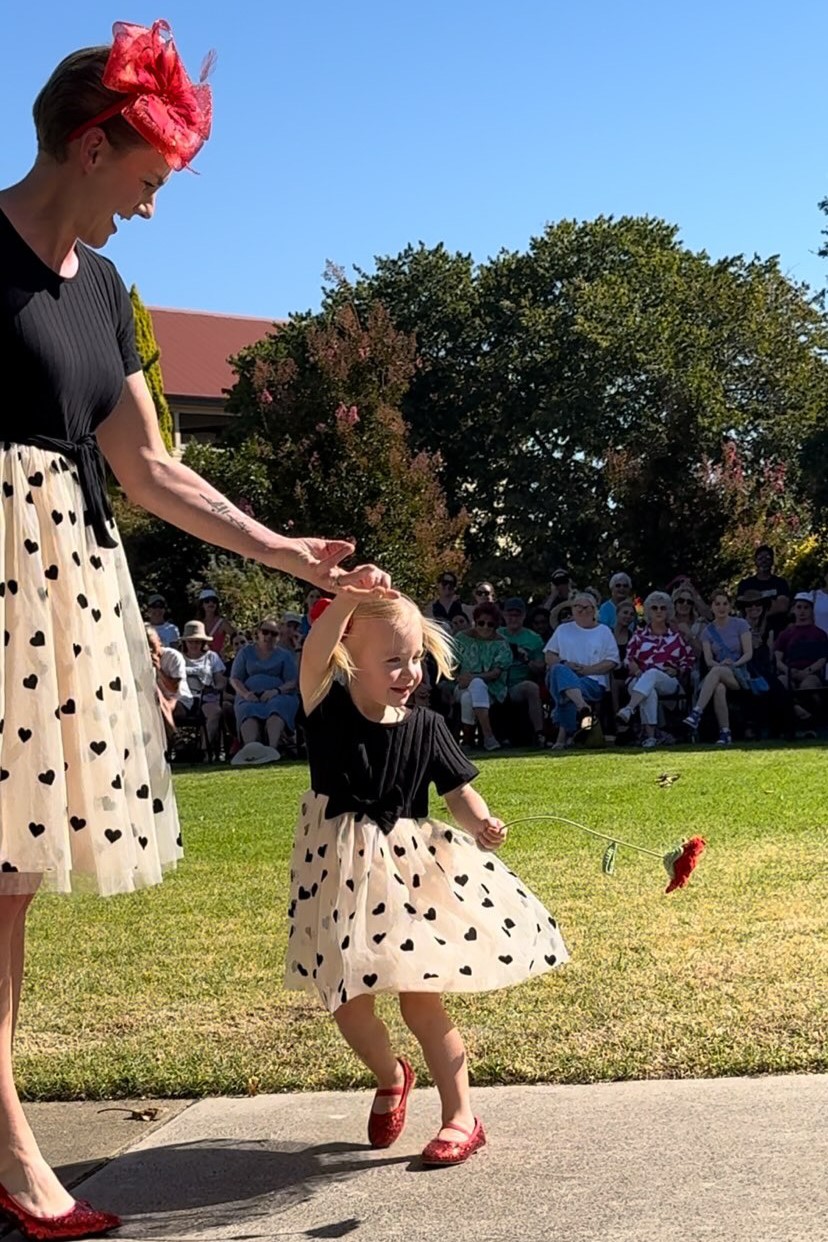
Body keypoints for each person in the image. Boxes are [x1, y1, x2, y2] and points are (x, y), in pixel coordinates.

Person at [0, 21, 389, 1237]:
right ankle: (9, 1147)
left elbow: (152, 470)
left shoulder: (106, 291)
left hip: (52, 581)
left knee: (6, 878)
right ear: (90, 140)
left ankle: (2, 1140)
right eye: (149, 181)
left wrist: (285, 550)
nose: (155, 210)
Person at [286, 580, 568, 1165]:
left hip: (408, 875)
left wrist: (483, 821)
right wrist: (345, 596)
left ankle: (461, 1115)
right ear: (346, 657)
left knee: (421, 999)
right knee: (345, 999)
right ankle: (391, 1074)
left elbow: (459, 791)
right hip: (338, 873)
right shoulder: (325, 706)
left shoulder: (427, 725)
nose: (408, 671)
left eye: (415, 657)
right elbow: (313, 650)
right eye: (392, 660)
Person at [617, 593, 694, 749]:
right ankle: (651, 738)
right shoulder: (638, 636)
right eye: (654, 608)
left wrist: (677, 670)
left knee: (651, 673)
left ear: (668, 612)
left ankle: (629, 708)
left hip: (667, 681)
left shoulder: (676, 637)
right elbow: (628, 660)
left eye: (663, 608)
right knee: (649, 689)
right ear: (648, 612)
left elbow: (689, 660)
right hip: (639, 680)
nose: (659, 611)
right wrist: (637, 671)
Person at [544, 593, 619, 750]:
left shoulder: (604, 631)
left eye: (587, 607)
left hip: (593, 680)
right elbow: (549, 655)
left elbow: (612, 661)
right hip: (565, 674)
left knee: (565, 691)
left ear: (594, 610)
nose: (582, 610)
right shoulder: (563, 629)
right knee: (559, 670)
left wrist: (588, 670)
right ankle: (583, 707)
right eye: (578, 606)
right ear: (572, 609)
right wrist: (566, 664)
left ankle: (562, 737)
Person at [683, 590, 753, 746]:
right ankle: (725, 732)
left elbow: (748, 653)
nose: (721, 608)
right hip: (720, 671)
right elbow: (709, 660)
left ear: (729, 606)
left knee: (717, 672)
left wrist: (734, 664)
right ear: (712, 607)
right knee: (719, 687)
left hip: (739, 673)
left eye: (725, 604)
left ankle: (697, 712)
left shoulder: (740, 624)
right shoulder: (707, 631)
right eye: (717, 604)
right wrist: (721, 665)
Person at [230, 619, 300, 756]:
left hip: (279, 695)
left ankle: (273, 750)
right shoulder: (245, 652)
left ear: (278, 636)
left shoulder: (284, 655)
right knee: (247, 709)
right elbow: (235, 678)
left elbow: (292, 681)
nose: (268, 636)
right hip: (250, 696)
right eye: (265, 632)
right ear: (258, 633)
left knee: (277, 707)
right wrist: (246, 694)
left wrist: (276, 691)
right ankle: (251, 751)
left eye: (273, 634)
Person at [452, 603, 512, 751]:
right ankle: (488, 738)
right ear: (475, 621)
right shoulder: (461, 638)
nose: (485, 627)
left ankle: (467, 740)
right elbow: (451, 666)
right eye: (481, 623)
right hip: (462, 684)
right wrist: (459, 678)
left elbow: (496, 673)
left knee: (472, 692)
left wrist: (472, 678)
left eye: (490, 624)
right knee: (472, 688)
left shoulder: (501, 643)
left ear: (496, 625)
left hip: (492, 689)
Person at [497, 597, 547, 747]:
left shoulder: (534, 639)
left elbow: (541, 668)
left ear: (524, 616)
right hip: (495, 682)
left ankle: (540, 734)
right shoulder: (494, 634)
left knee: (531, 687)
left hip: (516, 685)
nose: (513, 618)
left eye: (517, 615)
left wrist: (525, 658)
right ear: (504, 615)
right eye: (509, 614)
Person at [773, 594, 828, 722]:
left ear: (811, 610)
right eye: (799, 607)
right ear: (793, 610)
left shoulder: (819, 634)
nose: (802, 611)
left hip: (811, 673)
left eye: (806, 607)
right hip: (789, 672)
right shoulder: (785, 634)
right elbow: (777, 659)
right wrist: (788, 671)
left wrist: (807, 671)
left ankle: (810, 720)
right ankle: (796, 713)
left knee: (808, 686)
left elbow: (822, 659)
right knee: (780, 683)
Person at [177, 620, 227, 757]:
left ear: (203, 642)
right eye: (191, 641)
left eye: (197, 641)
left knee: (215, 712)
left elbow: (221, 681)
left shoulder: (212, 657)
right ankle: (175, 748)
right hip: (182, 698)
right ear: (185, 642)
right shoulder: (178, 658)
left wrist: (215, 688)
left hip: (205, 697)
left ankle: (204, 751)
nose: (194, 644)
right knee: (166, 710)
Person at [737, 546, 791, 637]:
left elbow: (783, 606)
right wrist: (771, 604)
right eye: (760, 558)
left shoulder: (780, 583)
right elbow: (742, 607)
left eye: (767, 558)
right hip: (751, 632)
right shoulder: (745, 584)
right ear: (755, 561)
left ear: (773, 561)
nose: (764, 561)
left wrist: (757, 608)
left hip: (777, 632)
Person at [196, 588, 234, 657]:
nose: (211, 603)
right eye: (207, 601)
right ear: (202, 604)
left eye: (214, 601)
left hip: (217, 663)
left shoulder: (222, 623)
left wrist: (226, 651)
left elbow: (236, 638)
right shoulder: (198, 624)